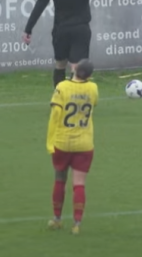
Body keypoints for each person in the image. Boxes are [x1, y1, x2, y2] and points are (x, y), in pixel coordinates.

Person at [45, 58, 98, 235]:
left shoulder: (62, 87)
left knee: (60, 179)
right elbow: (94, 103)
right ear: (90, 75)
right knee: (79, 184)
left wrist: (50, 141)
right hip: (84, 143)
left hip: (62, 142)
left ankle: (57, 219)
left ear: (74, 69)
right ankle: (76, 224)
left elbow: (55, 115)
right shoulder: (93, 88)